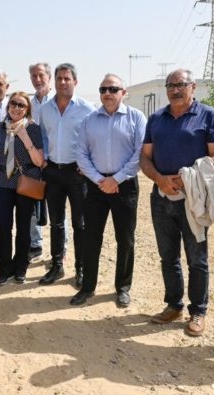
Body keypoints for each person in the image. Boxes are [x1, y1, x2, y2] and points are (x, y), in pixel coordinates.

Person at [140, 68, 214, 337]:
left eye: (181, 85)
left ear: (193, 87)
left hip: (193, 199)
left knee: (197, 259)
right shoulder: (156, 119)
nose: (175, 90)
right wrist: (160, 180)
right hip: (161, 197)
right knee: (168, 256)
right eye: (170, 85)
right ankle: (173, 306)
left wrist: (189, 178)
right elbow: (145, 158)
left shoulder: (209, 115)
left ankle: (198, 311)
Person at [70, 74, 146, 307]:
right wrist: (99, 180)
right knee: (91, 238)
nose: (107, 93)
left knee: (126, 239)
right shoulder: (89, 120)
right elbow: (81, 154)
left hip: (125, 186)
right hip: (96, 187)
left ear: (124, 92)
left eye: (113, 89)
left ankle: (123, 288)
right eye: (103, 89)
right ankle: (87, 287)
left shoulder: (136, 118)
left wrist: (117, 179)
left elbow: (141, 153)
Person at [38, 63, 94, 287]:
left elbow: (94, 138)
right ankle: (57, 266)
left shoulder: (86, 109)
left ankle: (80, 268)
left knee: (80, 224)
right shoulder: (45, 109)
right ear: (54, 81)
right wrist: (44, 159)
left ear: (75, 82)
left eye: (67, 78)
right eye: (59, 78)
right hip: (53, 172)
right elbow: (43, 136)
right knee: (56, 223)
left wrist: (87, 163)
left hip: (77, 173)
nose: (62, 82)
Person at [0, 92, 44, 285]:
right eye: (13, 103)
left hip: (26, 182)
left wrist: (24, 137)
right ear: (8, 106)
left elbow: (39, 161)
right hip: (2, 183)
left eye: (21, 105)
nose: (16, 108)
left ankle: (21, 267)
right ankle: (5, 269)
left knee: (23, 227)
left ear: (27, 109)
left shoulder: (34, 129)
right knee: (4, 227)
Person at [27, 62, 56, 262]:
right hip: (32, 164)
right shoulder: (29, 103)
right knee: (32, 204)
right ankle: (35, 244)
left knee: (57, 210)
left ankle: (60, 251)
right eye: (34, 76)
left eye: (41, 75)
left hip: (53, 163)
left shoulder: (57, 100)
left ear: (49, 77)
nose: (37, 80)